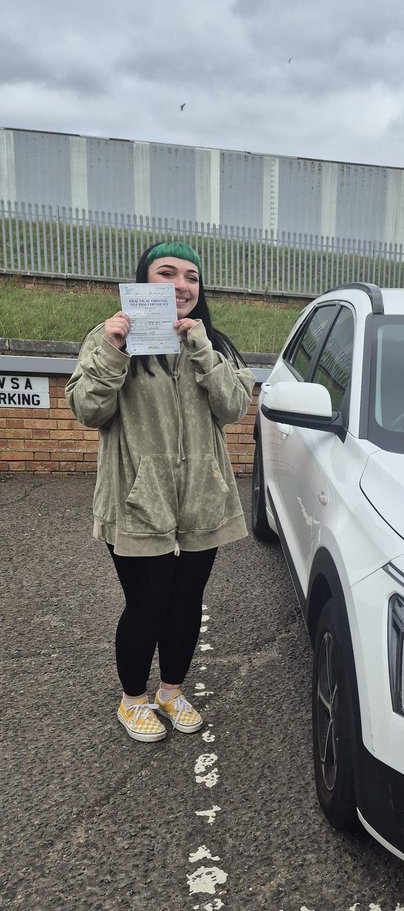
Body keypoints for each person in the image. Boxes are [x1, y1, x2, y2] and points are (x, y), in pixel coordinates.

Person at [66, 241, 256, 743]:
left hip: (201, 497)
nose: (181, 285)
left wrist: (201, 348)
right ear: (142, 282)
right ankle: (133, 700)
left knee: (186, 600)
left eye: (191, 276)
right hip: (137, 498)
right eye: (166, 273)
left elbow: (235, 407)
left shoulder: (216, 343)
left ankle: (171, 690)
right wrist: (114, 349)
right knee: (146, 604)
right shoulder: (108, 338)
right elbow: (88, 411)